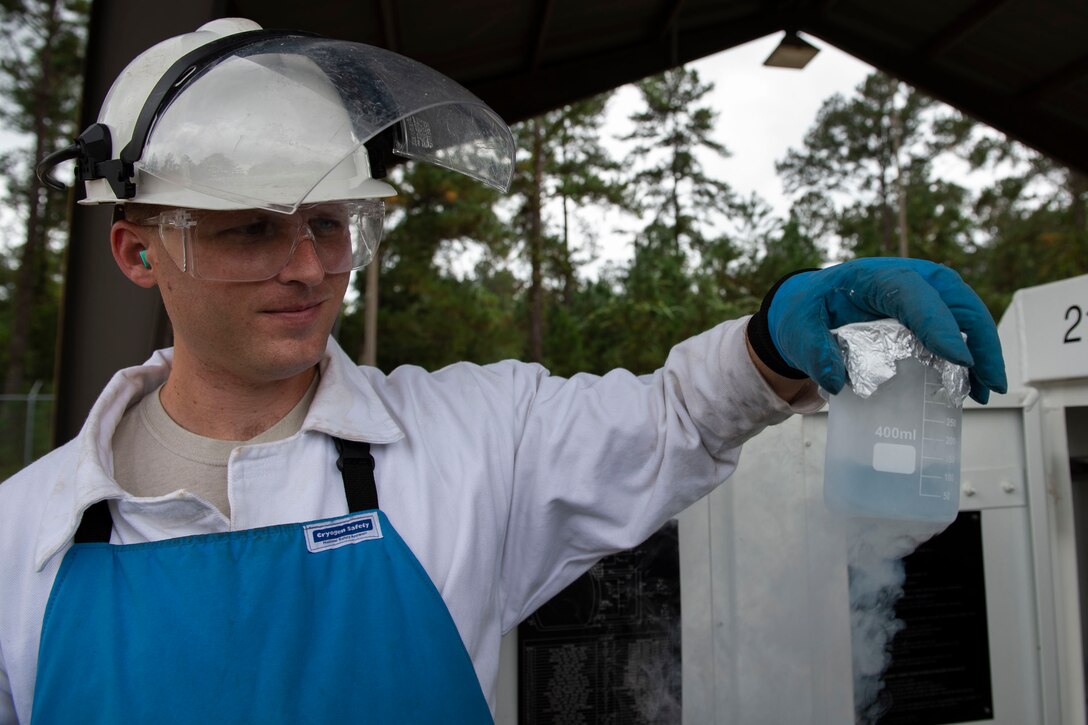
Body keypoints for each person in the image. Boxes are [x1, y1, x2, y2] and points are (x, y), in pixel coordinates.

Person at [0, 18, 1007, 724]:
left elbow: (673, 418)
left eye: (327, 222)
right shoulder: (21, 536)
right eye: (250, 230)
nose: (306, 266)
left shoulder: (469, 440)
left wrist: (775, 341)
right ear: (137, 251)